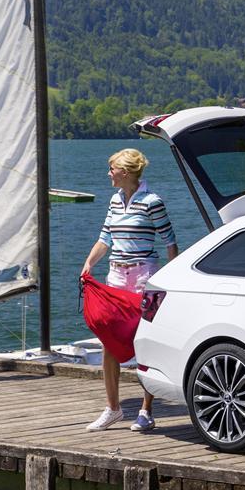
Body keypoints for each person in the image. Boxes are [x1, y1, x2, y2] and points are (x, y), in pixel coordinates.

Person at [80, 148, 178, 432]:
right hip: (115, 274)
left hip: (143, 275)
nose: (109, 174)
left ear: (126, 171)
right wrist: (88, 263)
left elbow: (170, 241)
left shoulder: (152, 202)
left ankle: (146, 410)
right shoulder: (114, 200)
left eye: (112, 169)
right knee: (108, 339)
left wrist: (172, 279)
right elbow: (105, 237)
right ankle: (112, 409)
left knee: (145, 342)